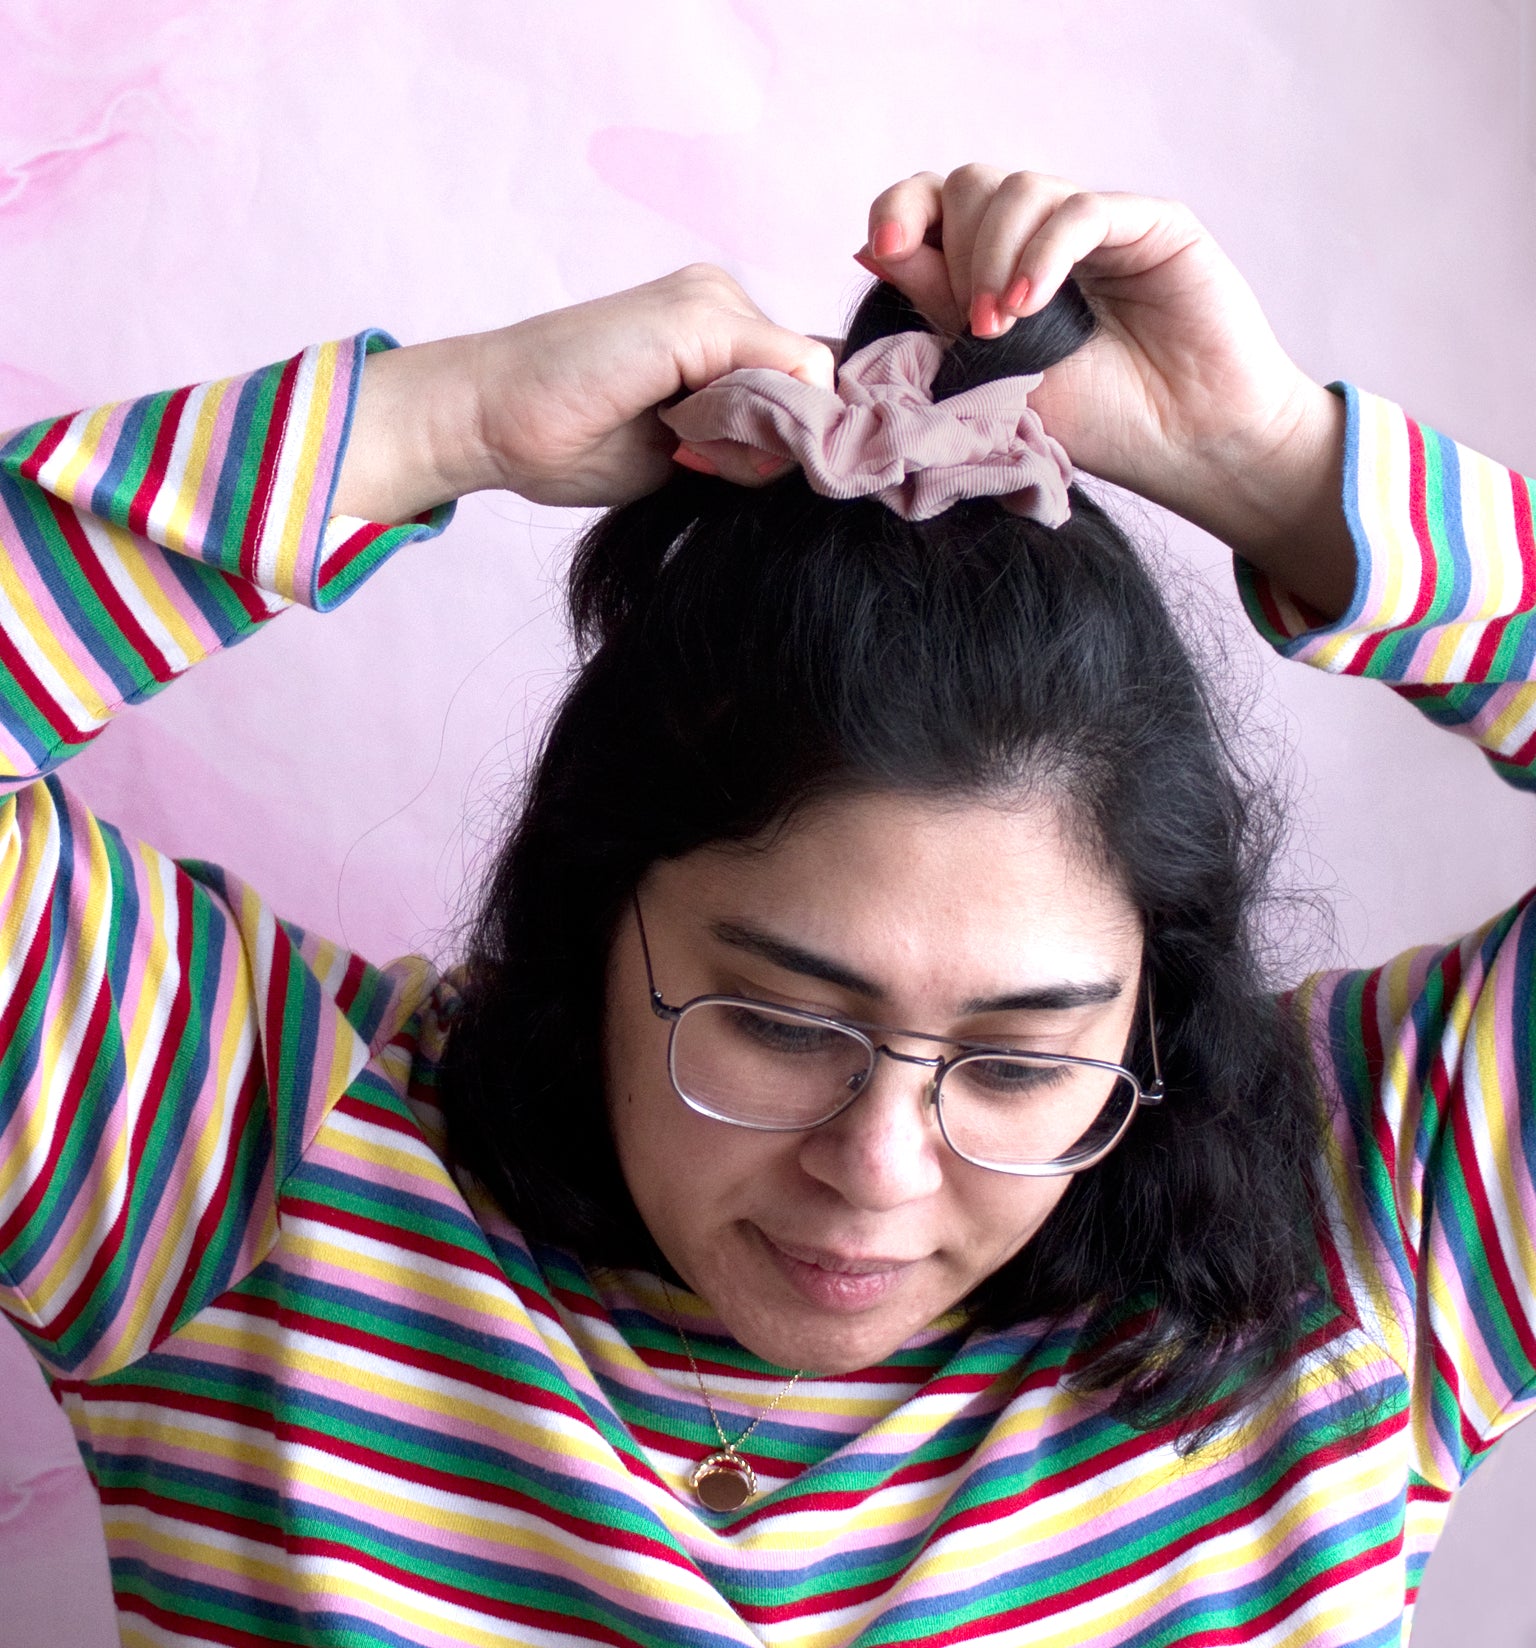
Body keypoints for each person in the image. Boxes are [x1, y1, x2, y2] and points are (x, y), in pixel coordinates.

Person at [0, 165, 1528, 1647]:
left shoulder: (1360, 1234)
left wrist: (1268, 464)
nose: (876, 1172)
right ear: (602, 913)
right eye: (782, 1023)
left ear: (1153, 1007)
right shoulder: (238, 1164)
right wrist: (435, 422)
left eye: (1018, 1064)